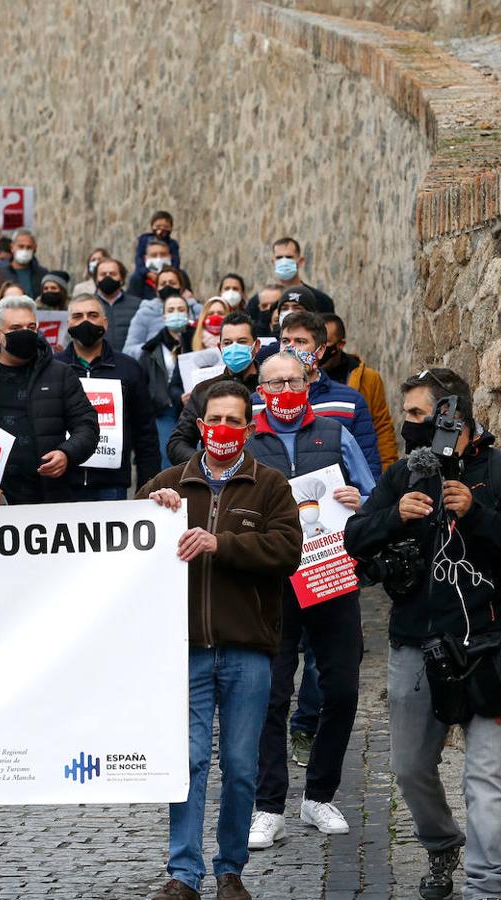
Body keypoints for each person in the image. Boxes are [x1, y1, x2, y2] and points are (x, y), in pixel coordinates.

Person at [345, 368, 501, 900]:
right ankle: (441, 842)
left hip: (491, 646)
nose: (409, 426)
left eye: (416, 416)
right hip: (415, 647)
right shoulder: (403, 475)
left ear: (453, 417)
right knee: (409, 769)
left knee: (488, 778)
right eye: (404, 415)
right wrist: (394, 518)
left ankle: (484, 886)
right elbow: (354, 537)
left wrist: (476, 515)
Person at [139, 380, 303, 900]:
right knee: (188, 761)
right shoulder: (167, 483)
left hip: (248, 649)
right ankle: (182, 873)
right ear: (200, 424)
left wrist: (221, 544)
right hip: (184, 649)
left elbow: (286, 551)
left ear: (249, 429)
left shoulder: (271, 485)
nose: (225, 430)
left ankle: (230, 869)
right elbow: (128, 544)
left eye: (236, 421)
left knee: (238, 766)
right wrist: (150, 504)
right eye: (217, 420)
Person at [245, 351, 376, 853]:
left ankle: (319, 795)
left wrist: (359, 503)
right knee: (270, 695)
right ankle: (268, 805)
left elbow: (373, 492)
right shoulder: (248, 444)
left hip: (330, 577)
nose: (283, 392)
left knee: (340, 688)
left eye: (292, 381)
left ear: (309, 381)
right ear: (260, 389)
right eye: (273, 384)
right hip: (272, 584)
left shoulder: (335, 434)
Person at [0, 295, 99, 504]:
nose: (25, 333)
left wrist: (67, 454)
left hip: (46, 496)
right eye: (16, 328)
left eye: (31, 327)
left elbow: (87, 425)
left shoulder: (60, 374)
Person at [55, 295, 160, 499]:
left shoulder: (129, 369)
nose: (85, 321)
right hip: (63, 483)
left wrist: (148, 488)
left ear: (105, 322)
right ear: (69, 324)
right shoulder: (53, 368)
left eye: (93, 315)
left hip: (111, 486)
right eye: (78, 316)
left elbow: (145, 434)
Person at [276, 311, 383, 476]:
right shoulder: (258, 401)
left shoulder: (350, 402)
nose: (290, 348)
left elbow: (368, 465)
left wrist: (365, 499)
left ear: (320, 351)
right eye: (285, 341)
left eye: (300, 341)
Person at [168, 312, 262, 465]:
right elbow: (177, 443)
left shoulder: (270, 387)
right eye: (227, 343)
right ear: (220, 347)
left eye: (242, 341)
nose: (234, 348)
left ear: (256, 346)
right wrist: (208, 464)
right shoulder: (204, 390)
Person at [320, 314, 398, 469]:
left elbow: (382, 429)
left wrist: (388, 472)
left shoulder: (368, 379)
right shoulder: (302, 381)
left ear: (340, 344)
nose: (321, 351)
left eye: (326, 344)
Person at [139, 294, 195, 460]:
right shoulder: (151, 349)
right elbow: (144, 384)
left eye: (181, 309)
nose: (176, 313)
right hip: (164, 410)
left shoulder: (198, 342)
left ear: (188, 314)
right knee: (167, 459)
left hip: (194, 408)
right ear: (164, 316)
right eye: (171, 310)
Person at [124, 265, 202, 360]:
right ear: (156, 290)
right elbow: (128, 350)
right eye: (163, 284)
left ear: (181, 288)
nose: (168, 286)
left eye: (172, 283)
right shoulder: (144, 313)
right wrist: (154, 349)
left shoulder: (196, 310)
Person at [246, 237, 334, 317]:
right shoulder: (260, 302)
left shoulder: (321, 300)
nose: (284, 262)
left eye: (289, 257)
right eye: (279, 258)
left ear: (300, 261)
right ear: (273, 262)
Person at [77, 257, 137, 352]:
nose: (107, 277)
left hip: (128, 361)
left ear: (121, 278)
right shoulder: (85, 305)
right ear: (96, 279)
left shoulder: (137, 305)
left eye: (112, 274)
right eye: (103, 274)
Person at [0, 229, 47, 296]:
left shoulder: (42, 274)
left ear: (35, 249)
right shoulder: (1, 273)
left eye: (29, 247)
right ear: (12, 247)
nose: (25, 250)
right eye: (21, 246)